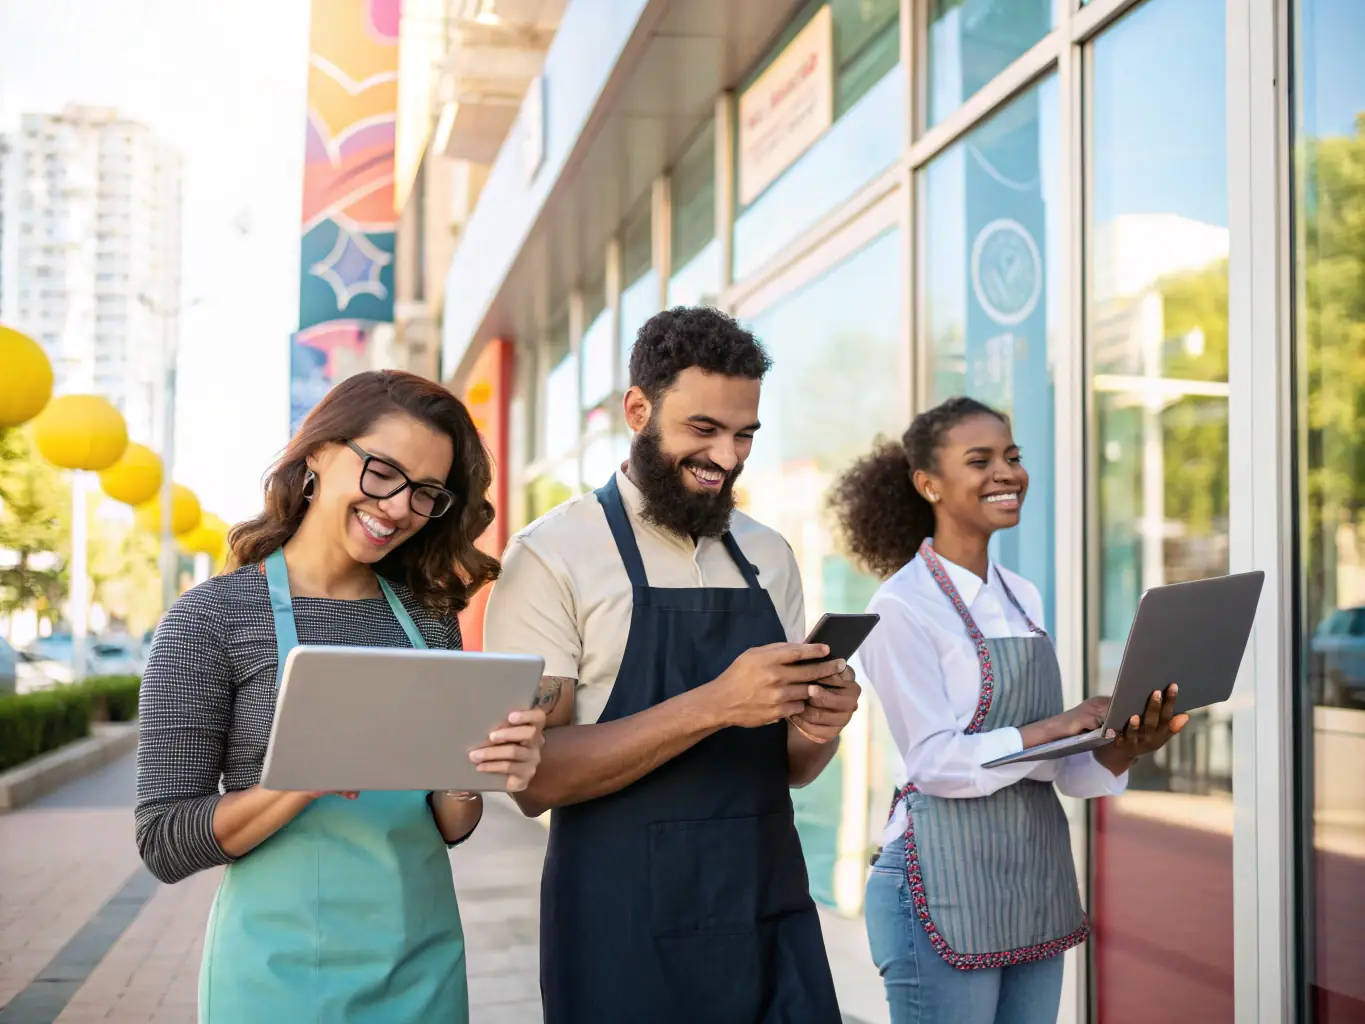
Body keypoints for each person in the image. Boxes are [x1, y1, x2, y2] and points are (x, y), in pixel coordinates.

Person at [134, 370, 547, 1023]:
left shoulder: (428, 619)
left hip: (422, 966)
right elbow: (163, 840)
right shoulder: (210, 620)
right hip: (278, 979)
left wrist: (472, 774)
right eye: (383, 472)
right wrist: (303, 778)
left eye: (425, 493)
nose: (399, 507)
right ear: (320, 453)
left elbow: (449, 825)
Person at [484, 307, 856, 1023]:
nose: (728, 456)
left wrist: (820, 727)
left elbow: (789, 767)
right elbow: (535, 781)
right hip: (621, 929)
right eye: (703, 429)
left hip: (764, 912)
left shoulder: (768, 555)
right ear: (638, 410)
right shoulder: (551, 555)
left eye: (744, 434)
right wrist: (716, 703)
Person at [827, 396, 1186, 1024]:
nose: (1007, 473)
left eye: (1012, 457)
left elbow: (1056, 771)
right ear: (929, 484)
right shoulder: (901, 606)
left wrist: (1123, 746)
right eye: (980, 460)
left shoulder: (1023, 597)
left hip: (1031, 876)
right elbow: (935, 764)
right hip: (940, 881)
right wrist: (1055, 725)